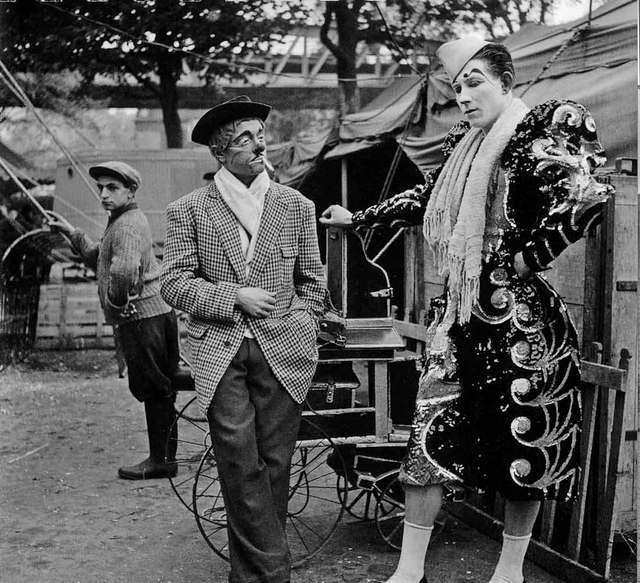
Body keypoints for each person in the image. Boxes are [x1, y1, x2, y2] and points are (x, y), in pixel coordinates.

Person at [320, 37, 613, 583]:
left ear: (506, 82)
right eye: (457, 88)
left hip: (520, 321)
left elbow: (591, 195)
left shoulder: (540, 130)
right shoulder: (464, 150)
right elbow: (424, 201)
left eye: (474, 82)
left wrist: (527, 258)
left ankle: (510, 569)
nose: (464, 96)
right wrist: (359, 216)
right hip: (458, 319)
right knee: (427, 437)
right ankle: (410, 569)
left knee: (524, 439)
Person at [160, 95, 325, 583]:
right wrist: (235, 297)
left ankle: (248, 576)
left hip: (285, 348)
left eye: (261, 135)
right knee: (238, 461)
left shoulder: (296, 206)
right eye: (246, 138)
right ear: (220, 152)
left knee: (276, 463)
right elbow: (173, 284)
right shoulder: (189, 209)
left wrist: (305, 326)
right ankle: (274, 574)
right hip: (219, 351)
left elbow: (313, 282)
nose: (260, 144)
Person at [49, 161, 180, 480]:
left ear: (131, 191)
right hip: (153, 313)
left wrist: (117, 305)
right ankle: (163, 456)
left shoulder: (127, 225)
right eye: (101, 188)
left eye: (113, 188)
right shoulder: (122, 220)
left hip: (142, 318)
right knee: (161, 384)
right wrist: (71, 232)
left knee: (154, 387)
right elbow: (101, 256)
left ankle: (161, 461)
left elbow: (121, 272)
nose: (104, 195)